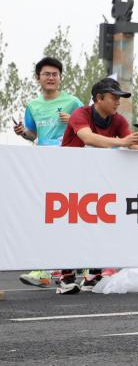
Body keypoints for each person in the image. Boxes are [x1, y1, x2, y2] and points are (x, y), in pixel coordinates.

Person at [58, 78, 138, 294]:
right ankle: (66, 276)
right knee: (71, 225)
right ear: (99, 98)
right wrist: (124, 142)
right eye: (114, 97)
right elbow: (88, 138)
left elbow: (131, 143)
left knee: (99, 223)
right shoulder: (81, 114)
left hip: (97, 179)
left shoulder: (117, 119)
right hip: (69, 178)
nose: (118, 102)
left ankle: (93, 274)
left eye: (119, 98)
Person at [15, 57, 85, 288]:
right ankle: (50, 269)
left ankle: (77, 266)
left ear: (60, 78)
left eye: (55, 74)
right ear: (39, 78)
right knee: (46, 215)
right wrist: (22, 132)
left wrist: (72, 121)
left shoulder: (72, 102)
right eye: (47, 74)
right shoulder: (33, 106)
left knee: (67, 214)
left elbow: (87, 127)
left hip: (68, 163)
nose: (51, 78)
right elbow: (33, 134)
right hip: (43, 165)